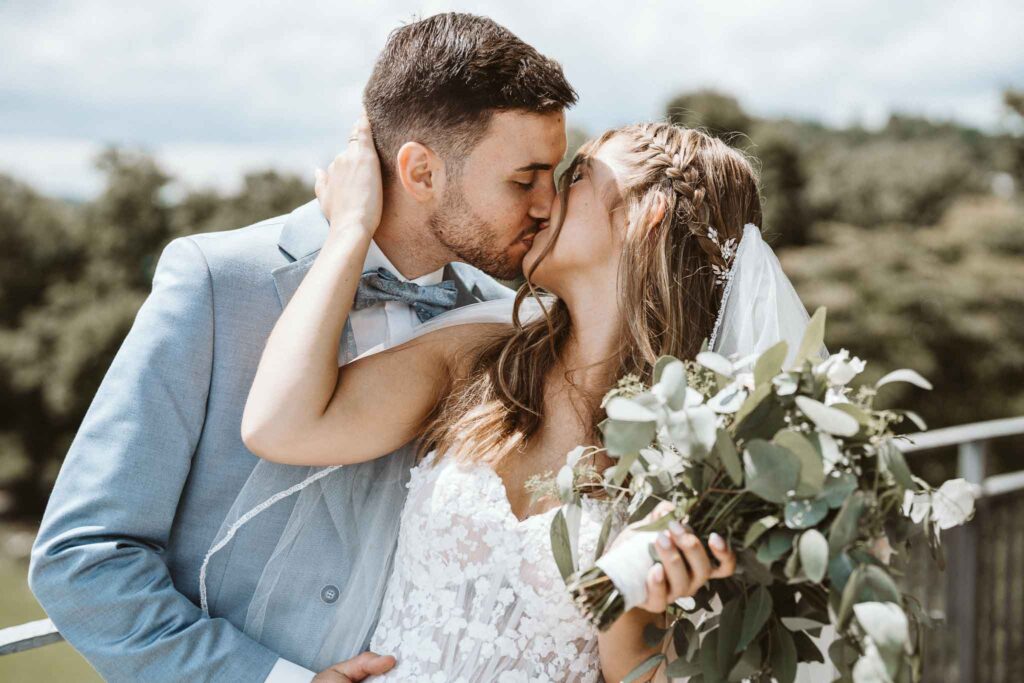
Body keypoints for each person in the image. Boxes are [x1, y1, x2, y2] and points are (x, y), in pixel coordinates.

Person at [29, 13, 577, 681]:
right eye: (525, 179)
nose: (551, 205)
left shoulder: (501, 327)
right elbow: (83, 556)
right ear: (421, 171)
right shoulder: (216, 281)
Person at [240, 117, 760, 681]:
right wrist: (351, 230)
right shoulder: (477, 359)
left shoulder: (705, 453)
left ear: (647, 215)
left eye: (578, 176)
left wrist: (630, 618)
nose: (545, 202)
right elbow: (279, 425)